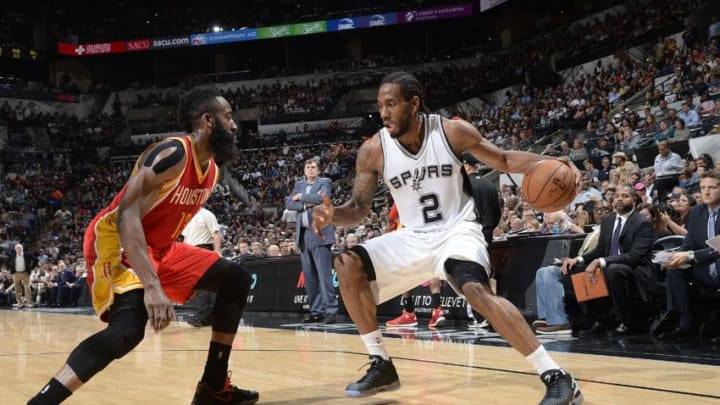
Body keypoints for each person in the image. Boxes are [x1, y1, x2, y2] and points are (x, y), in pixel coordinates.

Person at [311, 72, 583, 404]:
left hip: (458, 230)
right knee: (347, 263)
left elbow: (505, 160)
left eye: (391, 104)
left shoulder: (451, 131)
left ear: (413, 103)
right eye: (380, 105)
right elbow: (357, 209)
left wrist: (550, 161)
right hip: (412, 238)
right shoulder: (373, 150)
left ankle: (557, 375)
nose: (383, 113)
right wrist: (333, 215)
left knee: (476, 292)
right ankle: (380, 362)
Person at [28, 89, 259, 405]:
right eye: (228, 116)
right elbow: (126, 214)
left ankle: (213, 387)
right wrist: (151, 285)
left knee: (236, 277)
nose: (234, 125)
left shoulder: (213, 172)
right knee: (127, 331)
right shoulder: (172, 153)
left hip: (162, 248)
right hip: (117, 242)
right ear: (208, 120)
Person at [560, 184, 655, 335]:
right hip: (611, 266)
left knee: (613, 269)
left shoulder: (642, 223)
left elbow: (634, 256)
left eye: (625, 196)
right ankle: (601, 320)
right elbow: (599, 250)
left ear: (634, 200)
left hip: (635, 270)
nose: (619, 199)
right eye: (617, 196)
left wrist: (600, 262)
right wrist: (577, 259)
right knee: (575, 270)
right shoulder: (608, 220)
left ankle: (628, 322)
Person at [663, 170, 720, 338]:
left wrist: (690, 256)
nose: (706, 192)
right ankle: (685, 322)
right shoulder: (696, 212)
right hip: (704, 268)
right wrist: (675, 257)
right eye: (703, 188)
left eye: (712, 187)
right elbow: (689, 243)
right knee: (673, 269)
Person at [286, 157, 338, 324]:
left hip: (320, 233)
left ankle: (331, 310)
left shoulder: (325, 181)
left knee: (324, 275)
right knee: (310, 277)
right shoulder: (298, 185)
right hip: (304, 236)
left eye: (313, 167)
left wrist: (301, 197)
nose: (310, 169)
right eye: (307, 167)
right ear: (304, 170)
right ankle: (316, 312)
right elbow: (288, 203)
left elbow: (323, 198)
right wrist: (305, 204)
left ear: (318, 170)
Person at [182, 206, 222, 328]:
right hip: (191, 251)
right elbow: (186, 238)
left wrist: (216, 251)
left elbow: (215, 233)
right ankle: (207, 317)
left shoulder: (207, 214)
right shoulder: (188, 216)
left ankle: (200, 317)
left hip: (203, 249)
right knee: (203, 286)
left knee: (204, 285)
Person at [10, 243, 34, 308]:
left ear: (22, 248)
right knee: (17, 289)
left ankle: (29, 303)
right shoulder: (12, 255)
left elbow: (35, 260)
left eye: (20, 248)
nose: (18, 249)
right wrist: (12, 271)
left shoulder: (27, 254)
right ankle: (20, 303)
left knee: (27, 288)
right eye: (17, 248)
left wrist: (31, 267)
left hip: (25, 273)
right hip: (16, 273)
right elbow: (9, 263)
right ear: (15, 249)